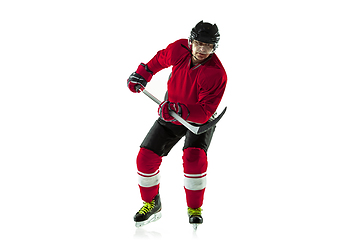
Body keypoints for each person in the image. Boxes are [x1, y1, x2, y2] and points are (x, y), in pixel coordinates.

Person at [127, 20, 227, 228]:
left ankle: (195, 208)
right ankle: (151, 204)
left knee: (194, 158)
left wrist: (180, 110)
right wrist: (143, 74)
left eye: (208, 45)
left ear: (214, 47)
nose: (202, 49)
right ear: (191, 41)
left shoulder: (216, 73)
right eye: (199, 43)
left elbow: (205, 111)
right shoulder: (178, 49)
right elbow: (158, 60)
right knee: (145, 158)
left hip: (199, 120)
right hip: (171, 112)